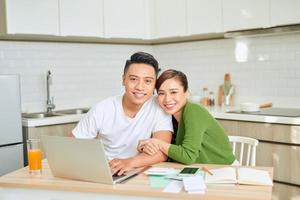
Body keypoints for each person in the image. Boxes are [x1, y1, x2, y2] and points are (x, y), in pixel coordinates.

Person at [72, 52, 173, 175]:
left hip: (141, 170)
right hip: (108, 171)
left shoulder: (159, 106)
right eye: (133, 79)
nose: (140, 87)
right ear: (123, 80)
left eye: (147, 81)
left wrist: (129, 162)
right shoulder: (103, 108)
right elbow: (73, 144)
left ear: (154, 85)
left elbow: (162, 152)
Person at [138, 69, 235, 165]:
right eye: (161, 93)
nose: (167, 99)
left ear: (186, 93)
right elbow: (169, 152)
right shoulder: (168, 115)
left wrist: (157, 143)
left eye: (174, 92)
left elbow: (188, 156)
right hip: (198, 170)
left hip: (224, 170)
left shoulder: (194, 111)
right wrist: (147, 146)